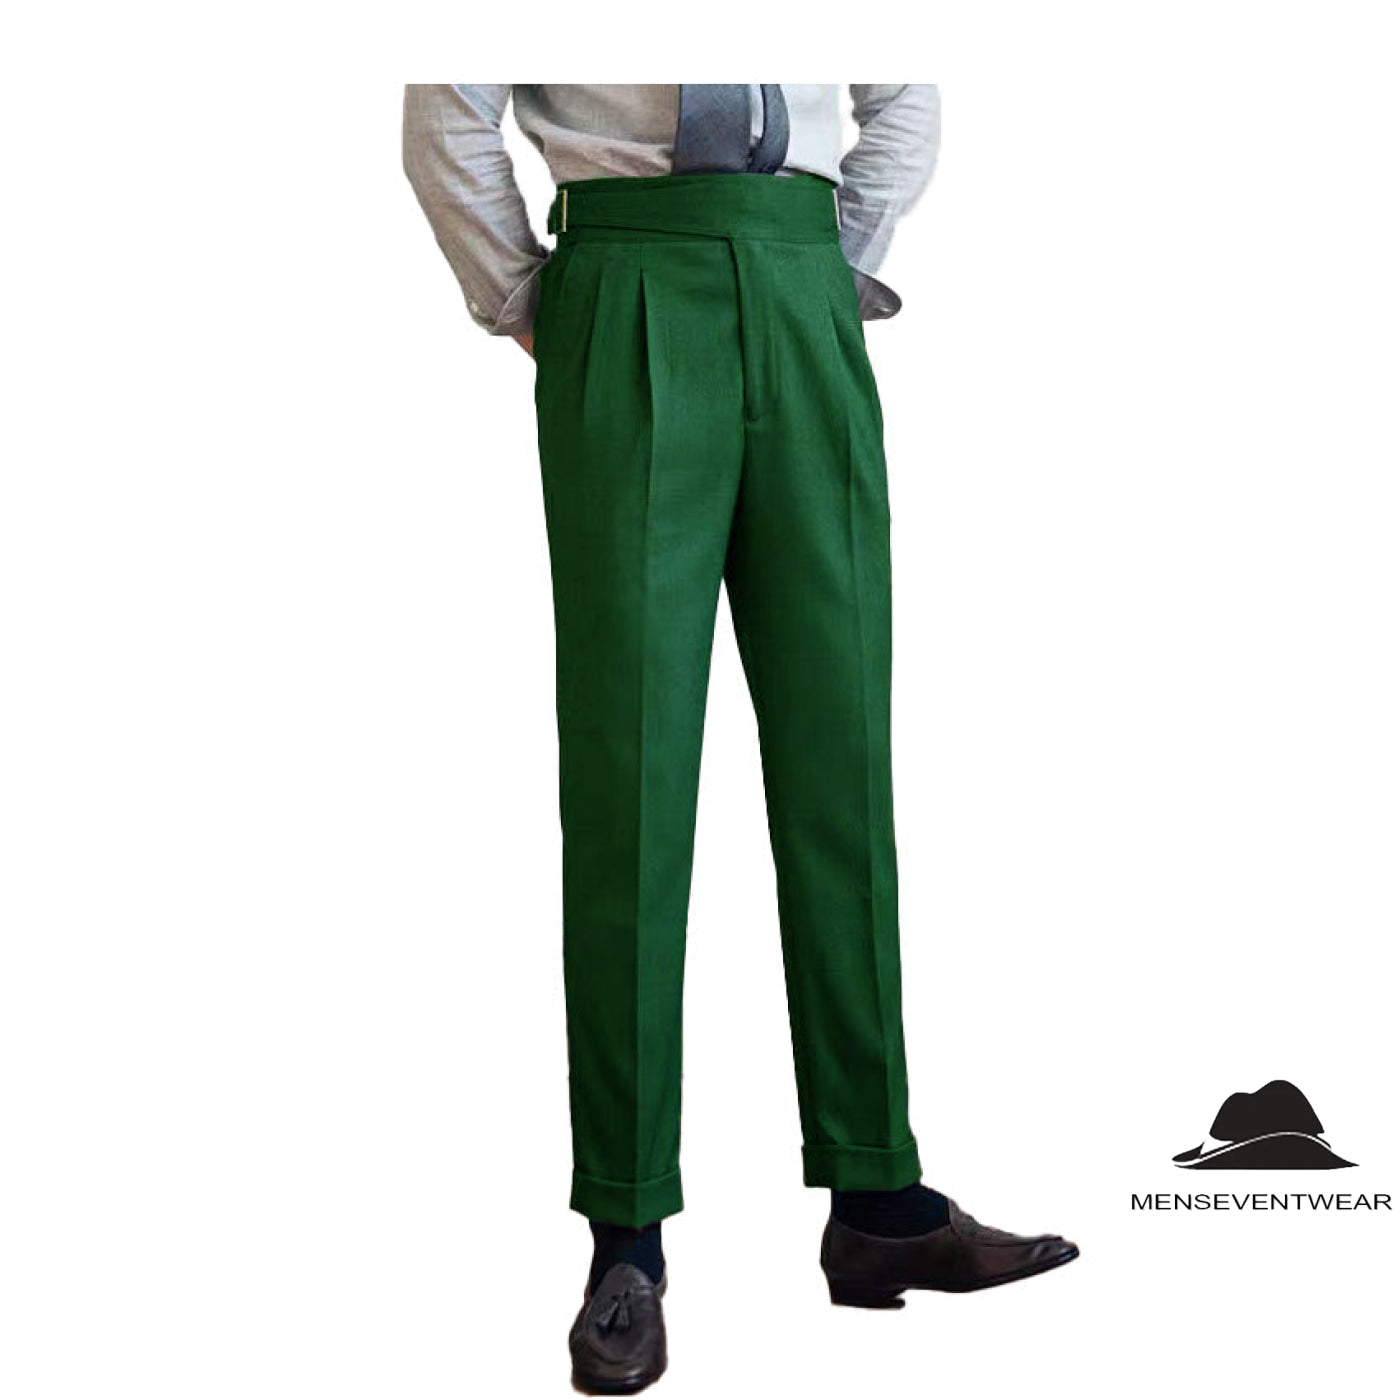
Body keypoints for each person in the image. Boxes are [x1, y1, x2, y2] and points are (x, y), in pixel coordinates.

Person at [402, 84, 1078, 1395]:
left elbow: (899, 96)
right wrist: (526, 296)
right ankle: (626, 1238)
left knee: (842, 757)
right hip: (627, 281)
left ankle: (878, 1198)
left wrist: (827, 266)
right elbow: (446, 108)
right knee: (631, 775)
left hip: (803, 280)